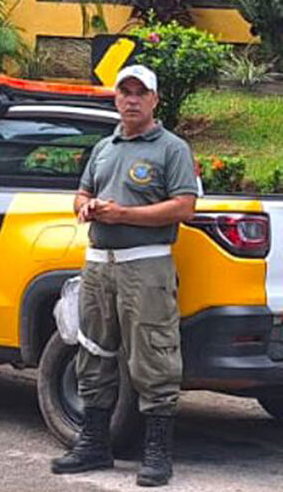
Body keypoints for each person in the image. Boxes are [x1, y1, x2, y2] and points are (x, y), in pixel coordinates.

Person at [51, 65, 198, 487]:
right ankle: (94, 443)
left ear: (154, 99)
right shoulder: (104, 148)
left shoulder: (172, 148)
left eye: (140, 93)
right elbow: (82, 192)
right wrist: (85, 206)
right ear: (115, 98)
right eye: (124, 92)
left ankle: (157, 453)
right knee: (92, 350)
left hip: (146, 265)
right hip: (98, 265)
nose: (131, 100)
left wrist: (126, 214)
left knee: (154, 354)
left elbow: (185, 207)